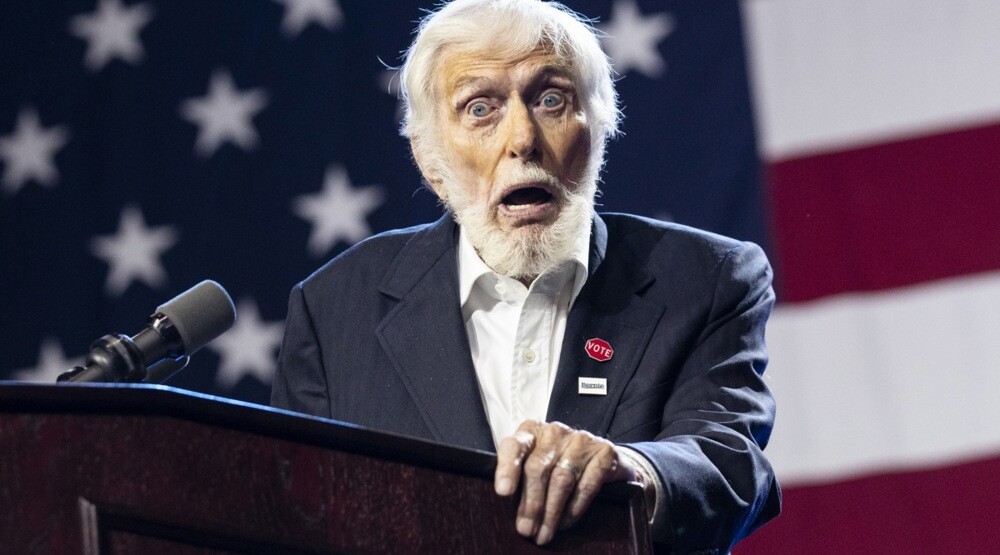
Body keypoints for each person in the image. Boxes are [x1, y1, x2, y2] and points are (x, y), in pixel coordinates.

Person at [271, 0, 780, 551]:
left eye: (551, 100)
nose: (523, 139)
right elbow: (289, 515)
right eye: (480, 109)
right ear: (429, 160)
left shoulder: (708, 279)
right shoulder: (334, 310)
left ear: (598, 129)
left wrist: (632, 471)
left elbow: (729, 462)